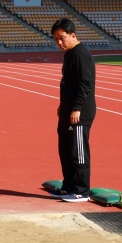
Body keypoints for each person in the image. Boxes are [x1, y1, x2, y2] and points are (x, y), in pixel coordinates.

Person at [49, 18, 96, 202]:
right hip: (67, 113)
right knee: (66, 150)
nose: (59, 42)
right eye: (56, 39)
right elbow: (68, 84)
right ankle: (68, 186)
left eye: (62, 38)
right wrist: (63, 106)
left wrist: (76, 108)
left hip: (79, 114)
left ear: (73, 35)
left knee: (78, 152)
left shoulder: (81, 54)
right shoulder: (69, 54)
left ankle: (81, 190)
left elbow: (85, 84)